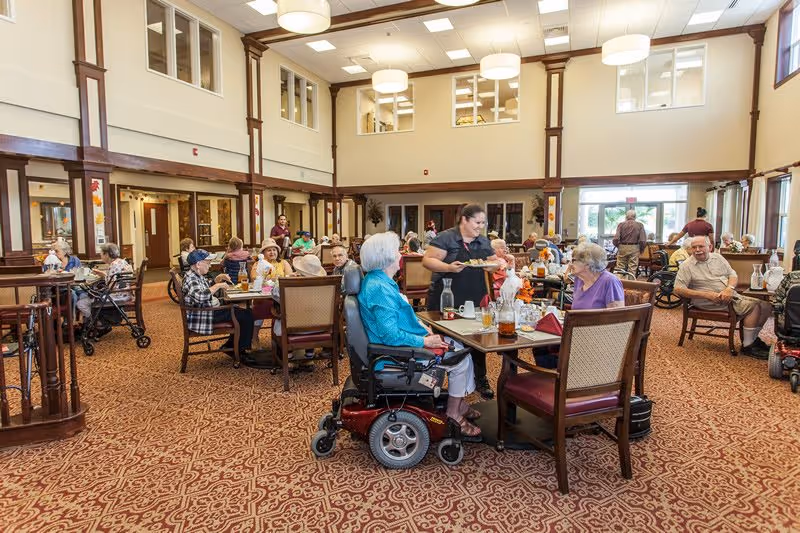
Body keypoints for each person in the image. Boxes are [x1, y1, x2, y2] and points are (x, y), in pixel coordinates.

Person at [359, 232, 481, 438]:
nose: (400, 255)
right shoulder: (379, 288)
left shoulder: (380, 281)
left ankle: (458, 404)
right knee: (460, 358)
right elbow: (390, 336)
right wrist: (425, 340)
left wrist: (423, 327)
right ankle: (454, 412)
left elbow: (398, 318)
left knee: (460, 348)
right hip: (394, 355)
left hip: (399, 346)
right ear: (386, 257)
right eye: (396, 251)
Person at [423, 203, 500, 399]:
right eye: (477, 222)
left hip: (474, 296)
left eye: (483, 223)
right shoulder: (446, 238)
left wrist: (494, 265)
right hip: (446, 295)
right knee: (442, 341)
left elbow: (493, 261)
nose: (480, 226)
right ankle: (432, 384)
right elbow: (428, 260)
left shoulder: (482, 241)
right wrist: (448, 267)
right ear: (464, 220)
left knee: (477, 339)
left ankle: (480, 379)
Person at [673, 236, 773, 358]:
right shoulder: (687, 266)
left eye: (701, 246)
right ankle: (748, 346)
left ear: (710, 247)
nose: (697, 250)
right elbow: (678, 289)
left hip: (729, 295)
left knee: (766, 306)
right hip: (708, 301)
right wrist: (707, 295)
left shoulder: (718, 258)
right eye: (694, 247)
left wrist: (729, 288)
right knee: (754, 306)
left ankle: (753, 339)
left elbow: (732, 274)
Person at [182, 249, 253, 355]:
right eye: (208, 263)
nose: (210, 265)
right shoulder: (191, 279)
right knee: (247, 316)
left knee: (241, 312)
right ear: (198, 264)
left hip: (206, 311)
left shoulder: (194, 275)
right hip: (204, 315)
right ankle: (240, 351)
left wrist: (217, 279)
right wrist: (217, 285)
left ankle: (231, 346)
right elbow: (201, 296)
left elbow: (204, 288)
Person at [76, 243, 134, 329]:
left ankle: (96, 324)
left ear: (107, 254)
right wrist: (104, 274)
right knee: (91, 297)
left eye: (101, 254)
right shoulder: (122, 262)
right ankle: (98, 322)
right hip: (125, 294)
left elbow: (111, 286)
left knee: (81, 303)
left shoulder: (113, 265)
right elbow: (115, 280)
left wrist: (98, 290)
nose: (101, 256)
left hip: (117, 296)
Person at [569, 242, 625, 310]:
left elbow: (617, 314)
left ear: (587, 263)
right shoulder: (579, 279)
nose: (570, 264)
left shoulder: (610, 281)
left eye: (573, 260)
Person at [612, 210, 647, 276]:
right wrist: (641, 249)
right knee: (632, 269)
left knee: (620, 267)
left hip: (622, 247)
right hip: (634, 247)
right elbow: (642, 240)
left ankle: (619, 281)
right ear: (635, 217)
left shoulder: (621, 225)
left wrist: (618, 246)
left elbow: (616, 239)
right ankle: (630, 282)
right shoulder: (640, 225)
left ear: (626, 216)